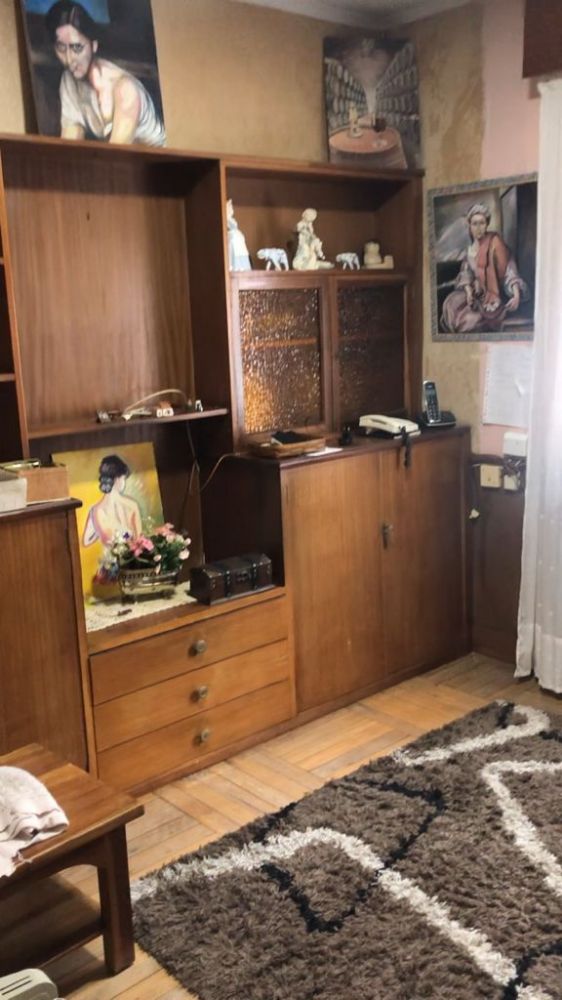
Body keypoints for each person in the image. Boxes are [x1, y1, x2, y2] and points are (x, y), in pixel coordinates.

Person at [45, 1, 166, 146]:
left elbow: (117, 153)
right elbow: (70, 145)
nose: (69, 59)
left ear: (93, 46)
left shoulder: (125, 89)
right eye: (61, 47)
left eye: (77, 47)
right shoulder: (68, 81)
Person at [441, 202, 528, 334]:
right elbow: (466, 275)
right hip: (475, 295)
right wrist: (469, 293)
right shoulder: (469, 250)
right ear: (469, 226)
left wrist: (516, 295)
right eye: (474, 224)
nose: (478, 228)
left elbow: (509, 270)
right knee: (451, 304)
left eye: (482, 223)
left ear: (487, 224)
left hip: (495, 296)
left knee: (471, 321)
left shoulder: (495, 243)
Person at [83, 454, 142, 547]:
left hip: (111, 555)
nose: (124, 482)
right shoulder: (132, 505)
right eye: (123, 478)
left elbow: (86, 541)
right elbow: (138, 539)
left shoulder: (95, 511)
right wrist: (125, 534)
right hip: (131, 554)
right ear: (117, 479)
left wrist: (98, 529)